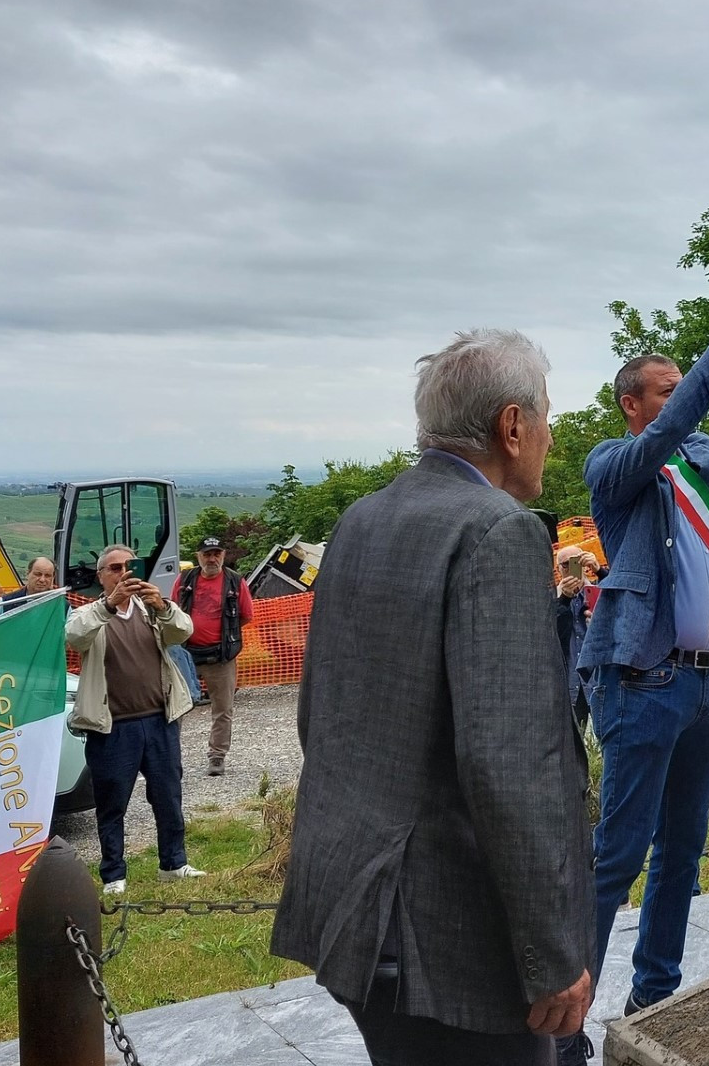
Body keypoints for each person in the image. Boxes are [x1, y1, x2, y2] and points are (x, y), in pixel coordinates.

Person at [272, 329, 593, 1066]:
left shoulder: (362, 517)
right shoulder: (499, 533)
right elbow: (508, 764)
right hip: (446, 943)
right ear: (513, 426)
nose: (548, 436)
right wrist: (552, 954)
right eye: (546, 418)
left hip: (355, 910)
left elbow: (318, 710)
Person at [573, 275, 709, 1029]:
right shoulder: (614, 466)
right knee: (616, 858)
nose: (681, 395)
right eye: (668, 387)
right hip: (641, 683)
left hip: (707, 680)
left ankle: (653, 994)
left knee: (681, 854)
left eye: (684, 384)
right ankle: (564, 1020)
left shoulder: (708, 458)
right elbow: (665, 437)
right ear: (632, 403)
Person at [65, 545, 206, 894]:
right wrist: (109, 604)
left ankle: (174, 863)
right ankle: (114, 875)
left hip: (159, 719)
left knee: (168, 796)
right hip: (112, 727)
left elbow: (183, 631)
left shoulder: (150, 609)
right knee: (112, 803)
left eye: (130, 566)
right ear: (101, 576)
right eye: (114, 568)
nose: (123, 573)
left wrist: (163, 605)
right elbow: (73, 636)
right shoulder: (92, 614)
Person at [172, 537, 255, 777]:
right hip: (186, 654)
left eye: (216, 553)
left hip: (221, 656)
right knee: (177, 708)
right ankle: (171, 758)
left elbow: (246, 615)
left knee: (223, 709)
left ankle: (217, 756)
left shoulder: (235, 581)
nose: (212, 558)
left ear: (223, 554)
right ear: (198, 556)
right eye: (207, 554)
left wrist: (226, 635)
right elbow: (174, 612)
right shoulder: (184, 579)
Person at [552, 546, 601, 731]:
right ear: (558, 569)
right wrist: (563, 599)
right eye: (567, 564)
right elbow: (552, 635)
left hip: (597, 678)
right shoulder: (551, 599)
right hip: (569, 681)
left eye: (577, 562)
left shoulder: (598, 591)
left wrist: (598, 569)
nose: (572, 568)